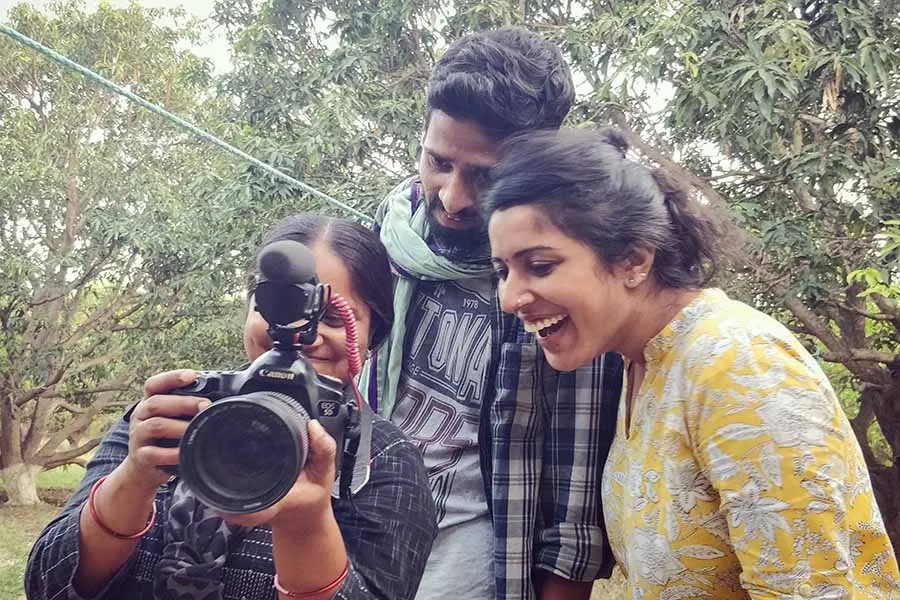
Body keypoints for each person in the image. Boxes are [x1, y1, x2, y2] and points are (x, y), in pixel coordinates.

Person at [484, 128, 900, 598]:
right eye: (503, 271)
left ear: (633, 261)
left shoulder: (740, 365)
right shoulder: (643, 364)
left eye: (540, 266)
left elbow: (811, 589)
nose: (509, 299)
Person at [26, 214, 438, 600]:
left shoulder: (380, 457)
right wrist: (133, 480)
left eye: (332, 318)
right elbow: (48, 584)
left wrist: (307, 525)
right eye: (278, 308)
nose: (303, 334)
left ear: (373, 337)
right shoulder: (178, 413)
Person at [361, 27, 623, 600]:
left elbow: (576, 501)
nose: (452, 198)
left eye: (484, 176)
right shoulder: (392, 231)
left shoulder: (562, 271)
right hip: (358, 530)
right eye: (438, 162)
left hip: (474, 564)